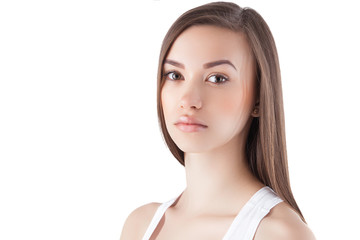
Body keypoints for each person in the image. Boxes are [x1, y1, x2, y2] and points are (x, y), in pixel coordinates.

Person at [120, 2, 315, 239]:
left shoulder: (278, 233)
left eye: (217, 78)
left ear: (259, 99)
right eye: (175, 75)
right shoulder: (140, 225)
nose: (188, 100)